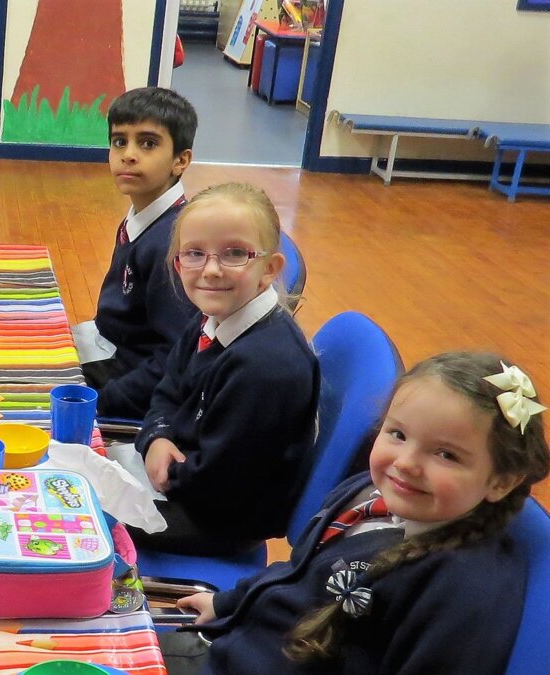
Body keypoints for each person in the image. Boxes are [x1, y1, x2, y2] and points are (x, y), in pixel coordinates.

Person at [161, 352, 549, 675]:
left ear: (502, 481)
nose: (406, 463)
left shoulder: (462, 591)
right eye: (397, 434)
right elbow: (298, 572)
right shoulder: (368, 489)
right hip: (235, 643)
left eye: (446, 455)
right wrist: (227, 603)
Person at [134, 182, 320, 555]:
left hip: (216, 518)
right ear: (178, 263)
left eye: (234, 253)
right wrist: (156, 437)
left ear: (269, 269)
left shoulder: (265, 369)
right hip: (189, 480)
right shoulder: (211, 317)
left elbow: (217, 487)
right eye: (195, 254)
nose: (212, 270)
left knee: (80, 511)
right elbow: (169, 389)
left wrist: (165, 471)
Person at [74, 87, 200, 421]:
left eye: (147, 143)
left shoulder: (173, 244)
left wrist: (104, 401)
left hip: (126, 384)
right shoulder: (145, 215)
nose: (129, 154)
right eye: (119, 142)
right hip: (109, 348)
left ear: (181, 160)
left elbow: (174, 358)